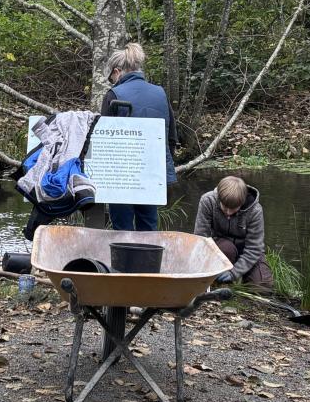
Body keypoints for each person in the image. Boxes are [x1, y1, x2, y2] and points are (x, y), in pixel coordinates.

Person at [100, 43, 177, 232]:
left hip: (121, 174)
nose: (112, 82)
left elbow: (102, 141)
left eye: (112, 78)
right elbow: (172, 136)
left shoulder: (114, 94)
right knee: (149, 225)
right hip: (152, 170)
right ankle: (148, 261)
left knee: (122, 227)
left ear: (117, 71)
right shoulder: (160, 93)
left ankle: (123, 261)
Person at [193, 175, 273, 288]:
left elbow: (254, 249)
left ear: (242, 201)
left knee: (262, 286)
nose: (228, 213)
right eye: (225, 207)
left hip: (246, 250)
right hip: (220, 247)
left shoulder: (255, 211)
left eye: (234, 208)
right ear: (219, 199)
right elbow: (201, 239)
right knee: (227, 248)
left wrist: (234, 273)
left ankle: (241, 279)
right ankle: (218, 284)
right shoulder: (207, 201)